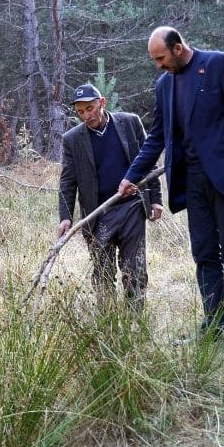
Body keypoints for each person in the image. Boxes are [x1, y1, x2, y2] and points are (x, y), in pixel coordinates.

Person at [118, 27, 224, 342]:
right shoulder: (164, 85)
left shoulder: (219, 64)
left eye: (161, 58)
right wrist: (132, 176)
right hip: (191, 181)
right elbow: (156, 138)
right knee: (203, 253)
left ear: (178, 47)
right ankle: (213, 324)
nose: (158, 65)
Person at [58, 83, 164, 310]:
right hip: (97, 216)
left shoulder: (129, 123)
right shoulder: (72, 140)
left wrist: (155, 198)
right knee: (103, 274)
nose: (86, 115)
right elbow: (67, 181)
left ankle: (134, 322)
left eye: (90, 108)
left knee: (134, 270)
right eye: (80, 112)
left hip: (132, 208)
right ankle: (109, 323)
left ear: (102, 103)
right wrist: (65, 217)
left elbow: (149, 162)